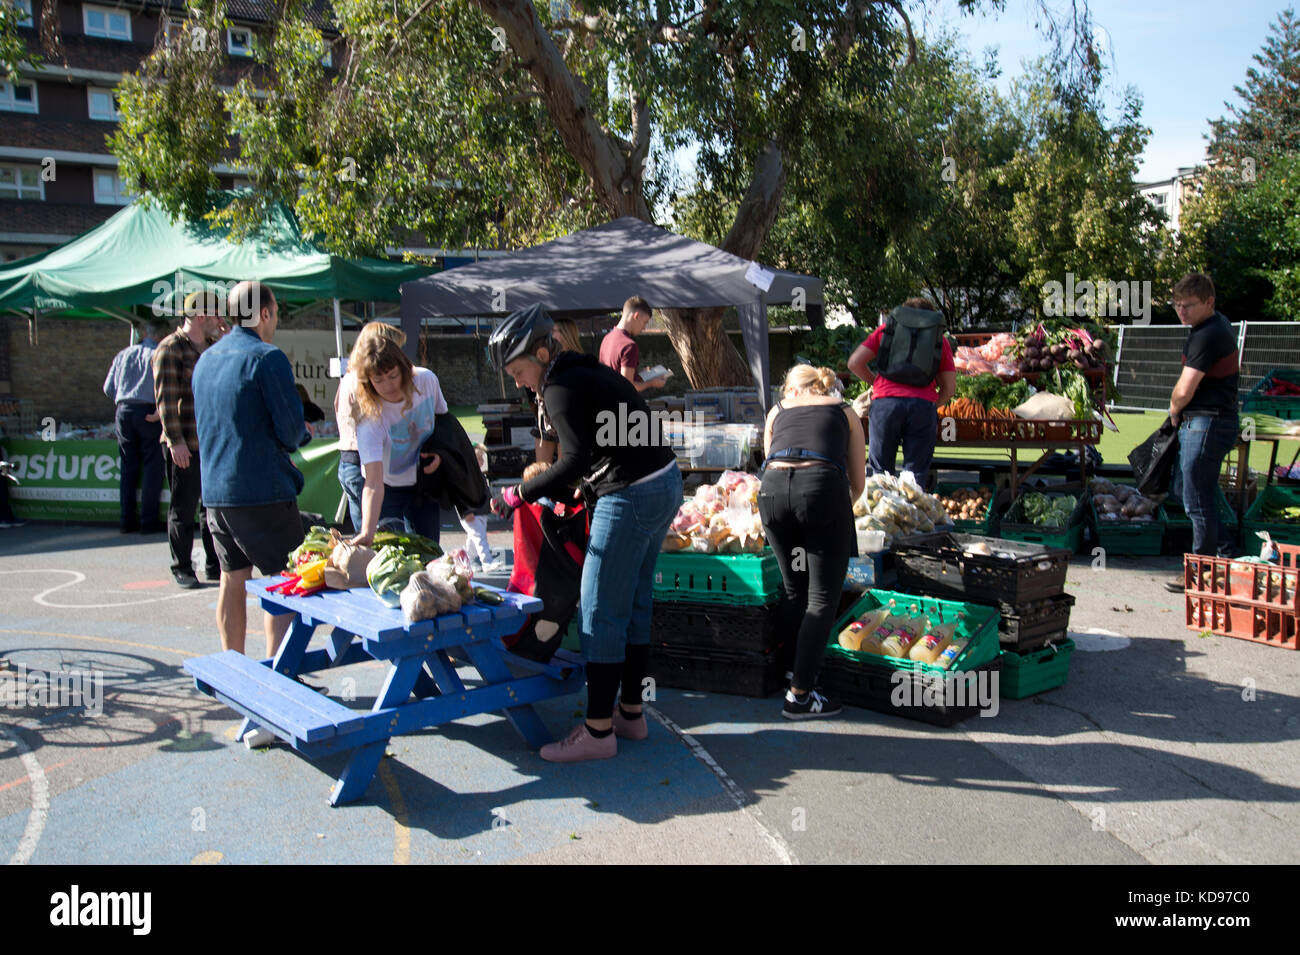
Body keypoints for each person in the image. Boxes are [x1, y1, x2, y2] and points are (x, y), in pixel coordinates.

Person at [490, 303, 682, 763]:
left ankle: (598, 732)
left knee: (598, 611)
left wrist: (517, 493)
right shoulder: (581, 372)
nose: (517, 381)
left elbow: (572, 461)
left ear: (540, 352)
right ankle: (629, 715)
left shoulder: (558, 386)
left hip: (632, 493)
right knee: (634, 603)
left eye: (517, 370)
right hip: (664, 482)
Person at [193, 281, 310, 659]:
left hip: (215, 492)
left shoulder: (206, 359)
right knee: (285, 582)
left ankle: (234, 665)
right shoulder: (266, 357)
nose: (275, 321)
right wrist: (300, 434)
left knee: (232, 579)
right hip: (262, 492)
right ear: (263, 314)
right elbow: (291, 430)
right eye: (275, 313)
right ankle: (281, 669)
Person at [760, 365, 867, 719]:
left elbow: (770, 460)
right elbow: (858, 482)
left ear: (793, 389)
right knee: (822, 598)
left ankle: (792, 671)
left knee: (795, 589)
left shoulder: (777, 411)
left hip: (773, 496)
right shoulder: (844, 411)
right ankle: (801, 695)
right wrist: (832, 516)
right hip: (820, 490)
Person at [1164, 273, 1240, 591]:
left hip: (1208, 422)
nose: (1182, 311)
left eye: (1189, 306)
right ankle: (1225, 556)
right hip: (1208, 421)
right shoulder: (1210, 325)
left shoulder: (1207, 334)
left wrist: (1173, 410)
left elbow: (1185, 388)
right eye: (1177, 305)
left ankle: (1201, 572)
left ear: (1209, 302)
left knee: (1196, 500)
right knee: (1188, 492)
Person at [347, 331, 449, 546]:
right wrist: (367, 532)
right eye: (378, 380)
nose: (388, 386)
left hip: (424, 481)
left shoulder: (426, 380)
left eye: (393, 375)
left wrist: (440, 453)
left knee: (428, 551)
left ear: (404, 368)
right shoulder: (370, 420)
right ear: (368, 383)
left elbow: (444, 424)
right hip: (387, 487)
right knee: (391, 552)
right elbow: (373, 482)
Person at [153, 291, 223, 589]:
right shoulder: (170, 348)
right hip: (185, 443)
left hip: (209, 443)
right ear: (202, 316)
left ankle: (214, 563)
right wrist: (175, 441)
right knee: (182, 509)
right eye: (216, 315)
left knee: (211, 509)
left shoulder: (211, 347)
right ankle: (181, 566)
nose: (221, 321)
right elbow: (166, 401)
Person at [846, 297, 956, 488]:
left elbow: (854, 363)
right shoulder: (939, 340)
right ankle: (910, 515)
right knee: (915, 475)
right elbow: (949, 388)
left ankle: (882, 515)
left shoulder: (886, 332)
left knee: (881, 472)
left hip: (885, 405)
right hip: (922, 407)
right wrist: (932, 404)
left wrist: (877, 384)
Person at [334, 322, 407, 533]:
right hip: (365, 463)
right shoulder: (364, 382)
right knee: (385, 536)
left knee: (367, 533)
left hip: (349, 460)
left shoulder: (349, 377)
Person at [104, 320, 169, 534]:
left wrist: (124, 400)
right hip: (149, 412)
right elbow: (164, 387)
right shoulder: (158, 354)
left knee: (128, 468)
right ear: (161, 335)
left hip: (123, 409)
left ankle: (126, 520)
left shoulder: (123, 354)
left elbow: (108, 388)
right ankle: (148, 521)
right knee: (152, 467)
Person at [534, 318, 583, 465]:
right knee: (540, 470)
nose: (549, 336)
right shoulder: (546, 357)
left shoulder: (578, 360)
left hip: (566, 416)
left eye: (553, 332)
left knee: (566, 467)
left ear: (566, 334)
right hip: (545, 416)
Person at [598, 296, 667, 394]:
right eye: (645, 322)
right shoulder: (629, 345)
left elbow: (617, 377)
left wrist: (639, 376)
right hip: (622, 406)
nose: (644, 328)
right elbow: (627, 386)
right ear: (636, 316)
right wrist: (652, 383)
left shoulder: (606, 339)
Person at [458, 443, 505, 572]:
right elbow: (460, 495)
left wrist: (493, 503)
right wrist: (465, 511)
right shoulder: (466, 476)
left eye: (482, 458)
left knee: (473, 540)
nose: (482, 461)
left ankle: (465, 559)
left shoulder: (479, 475)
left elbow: (486, 493)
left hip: (480, 512)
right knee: (480, 538)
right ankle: (487, 562)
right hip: (471, 513)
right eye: (479, 458)